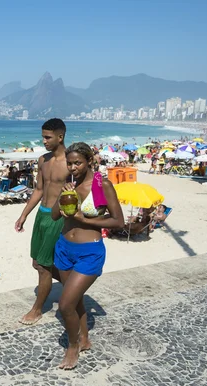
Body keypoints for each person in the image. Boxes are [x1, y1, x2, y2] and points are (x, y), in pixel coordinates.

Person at [50, 142, 123, 369]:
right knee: (75, 300)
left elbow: (118, 221)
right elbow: (54, 216)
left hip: (89, 252)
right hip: (64, 248)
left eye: (78, 163)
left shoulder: (102, 185)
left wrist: (85, 220)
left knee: (65, 305)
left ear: (90, 161)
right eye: (70, 163)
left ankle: (72, 347)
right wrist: (61, 197)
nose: (73, 168)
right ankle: (84, 338)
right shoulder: (68, 184)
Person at [15, 118, 69, 325]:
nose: (44, 141)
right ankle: (72, 284)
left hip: (58, 217)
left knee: (44, 266)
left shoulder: (70, 163)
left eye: (48, 137)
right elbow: (39, 190)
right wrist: (24, 214)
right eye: (43, 137)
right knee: (37, 262)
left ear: (60, 136)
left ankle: (37, 310)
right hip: (41, 214)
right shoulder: (42, 160)